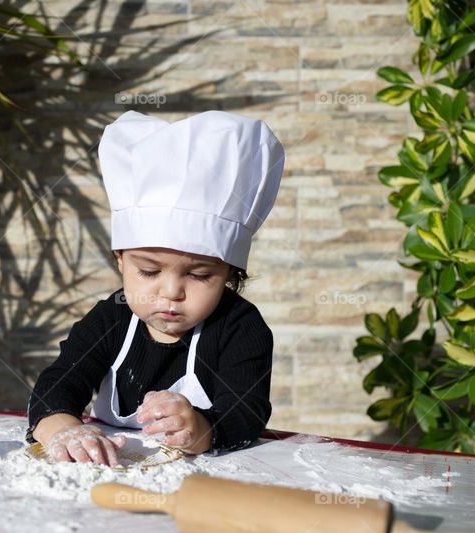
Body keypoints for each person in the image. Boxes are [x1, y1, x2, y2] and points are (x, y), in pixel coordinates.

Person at [26, 110, 284, 466]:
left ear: (228, 273)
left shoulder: (240, 327)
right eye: (149, 271)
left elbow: (247, 413)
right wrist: (62, 429)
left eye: (199, 275)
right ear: (120, 261)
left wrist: (202, 429)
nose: (171, 292)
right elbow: (59, 383)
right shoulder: (111, 318)